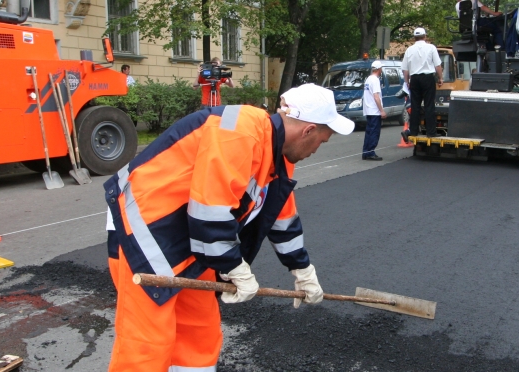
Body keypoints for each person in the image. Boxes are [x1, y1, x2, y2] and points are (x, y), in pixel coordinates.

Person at [104, 83, 354, 371]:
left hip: (190, 237)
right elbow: (210, 211)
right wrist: (234, 267)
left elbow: (282, 219)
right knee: (148, 343)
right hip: (143, 232)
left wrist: (302, 270)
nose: (319, 148)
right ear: (308, 130)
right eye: (323, 140)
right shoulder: (240, 130)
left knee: (200, 332)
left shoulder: (278, 152)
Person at [401, 27, 443, 139]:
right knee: (429, 105)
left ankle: (414, 131)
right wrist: (440, 78)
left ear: (414, 38)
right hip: (428, 78)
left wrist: (407, 81)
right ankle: (431, 132)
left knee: (415, 106)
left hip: (414, 79)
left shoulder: (409, 50)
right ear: (425, 36)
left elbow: (405, 69)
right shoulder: (431, 48)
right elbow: (437, 65)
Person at [362, 61, 387, 161]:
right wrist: (381, 110)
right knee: (374, 132)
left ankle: (366, 151)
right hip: (374, 110)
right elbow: (376, 96)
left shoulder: (368, 79)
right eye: (381, 68)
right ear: (378, 69)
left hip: (368, 109)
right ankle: (371, 152)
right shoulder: (375, 80)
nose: (381, 70)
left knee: (369, 131)